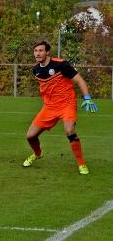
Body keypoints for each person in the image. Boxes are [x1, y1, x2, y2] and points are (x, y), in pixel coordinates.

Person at [22, 40, 98, 175]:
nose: (37, 53)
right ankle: (38, 154)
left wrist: (87, 98)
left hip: (67, 104)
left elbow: (80, 80)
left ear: (47, 52)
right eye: (35, 51)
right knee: (30, 136)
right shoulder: (36, 70)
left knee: (70, 131)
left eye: (40, 50)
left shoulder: (61, 64)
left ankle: (81, 163)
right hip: (49, 107)